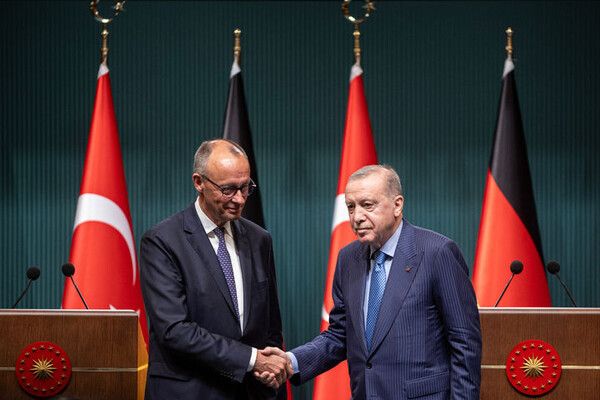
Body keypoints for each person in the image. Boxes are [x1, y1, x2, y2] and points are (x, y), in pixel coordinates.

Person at [258, 165, 482, 399]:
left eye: (367, 205)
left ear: (397, 205)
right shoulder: (348, 259)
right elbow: (340, 334)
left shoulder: (437, 253)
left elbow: (465, 343)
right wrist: (291, 361)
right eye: (351, 207)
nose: (356, 217)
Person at [140, 139, 289, 399]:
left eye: (245, 187)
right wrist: (252, 359)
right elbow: (174, 330)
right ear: (199, 182)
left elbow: (270, 325)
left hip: (250, 392)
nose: (239, 199)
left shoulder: (259, 239)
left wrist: (269, 367)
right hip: (190, 391)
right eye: (228, 189)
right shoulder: (162, 241)